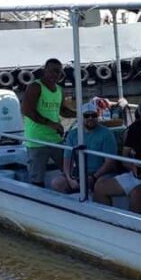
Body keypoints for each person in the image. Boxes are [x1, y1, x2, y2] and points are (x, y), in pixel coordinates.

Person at [21, 58, 76, 186]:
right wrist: (51, 124)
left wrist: (82, 113)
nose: (54, 75)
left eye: (58, 72)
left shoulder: (59, 90)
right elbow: (26, 110)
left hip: (56, 139)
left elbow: (62, 111)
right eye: (52, 71)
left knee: (71, 172)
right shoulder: (35, 87)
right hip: (37, 141)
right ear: (45, 71)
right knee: (37, 179)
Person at [50, 102, 118, 194]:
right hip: (78, 173)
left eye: (93, 115)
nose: (90, 118)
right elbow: (67, 160)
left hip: (100, 174)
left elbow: (110, 162)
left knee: (100, 185)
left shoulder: (107, 134)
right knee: (57, 183)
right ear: (81, 117)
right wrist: (70, 178)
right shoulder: (72, 134)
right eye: (86, 115)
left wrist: (93, 177)